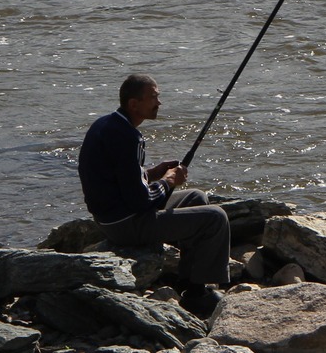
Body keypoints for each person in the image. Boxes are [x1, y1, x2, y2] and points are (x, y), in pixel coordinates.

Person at [78, 73, 230, 317]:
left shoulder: (107, 125)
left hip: (112, 216)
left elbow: (120, 181)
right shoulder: (128, 137)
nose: (158, 103)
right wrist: (169, 181)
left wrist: (153, 174)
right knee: (216, 217)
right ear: (134, 105)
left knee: (197, 198)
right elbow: (139, 201)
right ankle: (197, 297)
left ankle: (190, 281)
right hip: (125, 224)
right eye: (153, 98)